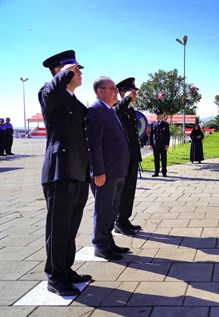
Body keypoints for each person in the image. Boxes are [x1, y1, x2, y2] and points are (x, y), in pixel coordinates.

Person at [38, 50, 91, 296]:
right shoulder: (49, 94)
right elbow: (50, 91)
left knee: (70, 227)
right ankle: (55, 277)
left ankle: (66, 269)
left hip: (78, 171)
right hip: (59, 173)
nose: (79, 73)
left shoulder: (73, 101)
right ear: (61, 71)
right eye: (75, 69)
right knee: (57, 229)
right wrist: (66, 71)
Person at [86, 76, 131, 261]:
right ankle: (100, 245)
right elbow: (93, 145)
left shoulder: (110, 111)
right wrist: (98, 171)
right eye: (112, 88)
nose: (116, 91)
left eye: (115, 88)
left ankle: (108, 241)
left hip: (118, 170)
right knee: (103, 210)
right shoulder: (95, 111)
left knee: (112, 210)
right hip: (106, 173)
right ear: (100, 91)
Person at [113, 78, 142, 236]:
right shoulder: (117, 107)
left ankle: (125, 219)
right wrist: (128, 98)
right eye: (133, 92)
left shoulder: (129, 111)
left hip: (132, 157)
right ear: (123, 93)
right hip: (123, 158)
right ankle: (118, 221)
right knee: (122, 191)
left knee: (130, 189)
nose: (136, 94)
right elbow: (117, 109)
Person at [149, 111, 170, 177]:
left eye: (159, 115)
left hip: (163, 144)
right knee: (156, 159)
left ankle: (164, 172)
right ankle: (156, 172)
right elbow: (151, 135)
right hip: (156, 144)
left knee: (163, 158)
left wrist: (167, 144)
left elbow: (167, 135)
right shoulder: (153, 124)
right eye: (157, 115)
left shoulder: (165, 124)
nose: (158, 116)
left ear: (162, 116)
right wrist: (151, 144)